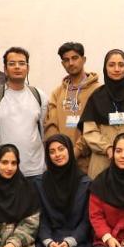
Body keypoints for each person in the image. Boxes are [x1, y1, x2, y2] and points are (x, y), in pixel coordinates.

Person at [81, 50, 124, 179]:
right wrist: (108, 148)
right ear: (105, 68)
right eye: (111, 65)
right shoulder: (96, 97)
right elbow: (89, 130)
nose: (117, 69)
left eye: (121, 65)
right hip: (102, 160)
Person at [0, 47, 48, 178]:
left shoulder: (39, 96)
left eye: (22, 63)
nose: (17, 67)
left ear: (28, 68)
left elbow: (44, 133)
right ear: (5, 69)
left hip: (35, 170)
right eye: (12, 64)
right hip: (3, 171)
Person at [44, 42, 100, 174]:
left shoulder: (98, 91)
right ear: (62, 64)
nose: (71, 63)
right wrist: (59, 151)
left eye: (75, 58)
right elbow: (51, 124)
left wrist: (76, 151)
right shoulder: (57, 93)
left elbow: (97, 126)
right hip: (60, 161)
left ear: (83, 59)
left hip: (88, 162)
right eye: (66, 60)